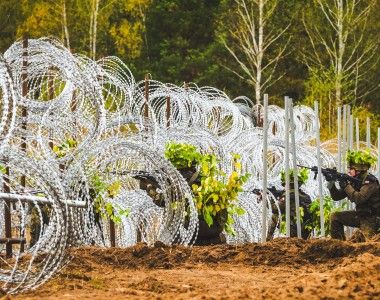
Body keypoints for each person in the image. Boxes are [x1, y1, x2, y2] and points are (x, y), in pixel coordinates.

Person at [327, 150, 380, 240]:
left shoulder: (370, 182)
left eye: (351, 169)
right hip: (360, 215)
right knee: (335, 217)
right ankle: (338, 246)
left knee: (364, 243)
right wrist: (331, 183)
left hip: (372, 219)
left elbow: (359, 198)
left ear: (359, 171)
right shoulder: (353, 181)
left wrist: (346, 185)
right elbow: (336, 197)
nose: (348, 171)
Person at [267, 168, 312, 240]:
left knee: (274, 216)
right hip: (306, 232)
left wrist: (268, 199)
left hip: (294, 230)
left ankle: (267, 242)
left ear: (288, 185)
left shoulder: (289, 196)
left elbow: (275, 209)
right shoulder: (305, 196)